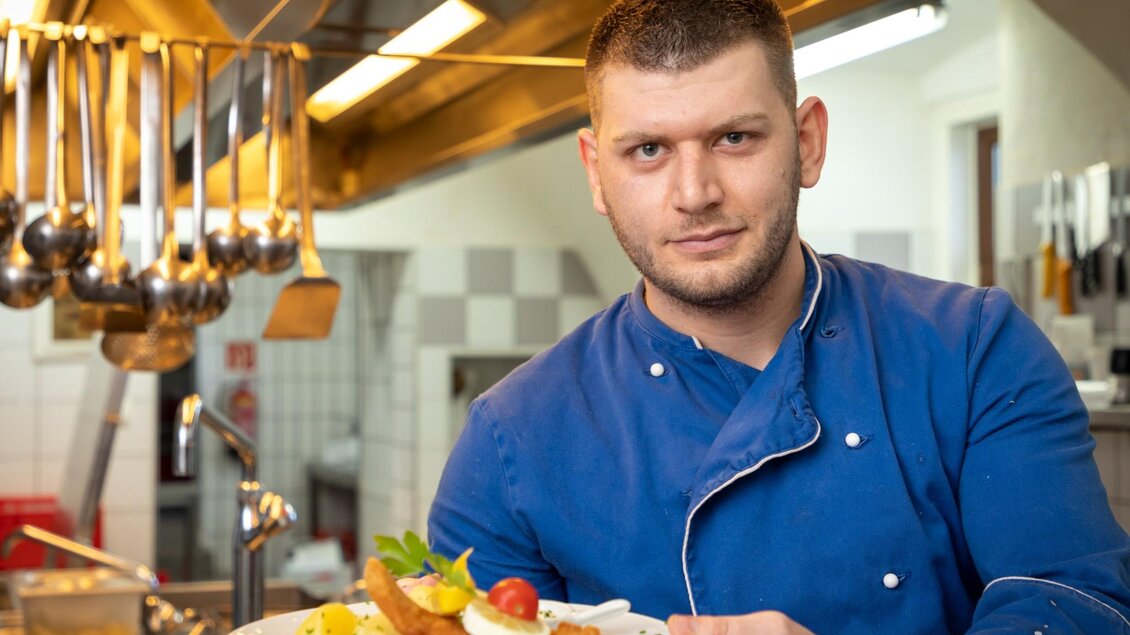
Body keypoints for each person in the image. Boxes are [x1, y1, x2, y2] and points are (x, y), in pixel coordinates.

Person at [427, 0, 1130, 632]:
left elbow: (1073, 604)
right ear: (595, 172)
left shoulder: (975, 350)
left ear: (808, 142)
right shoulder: (511, 440)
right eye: (648, 150)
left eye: (734, 138)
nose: (694, 192)